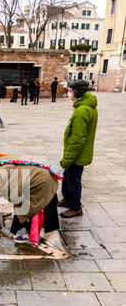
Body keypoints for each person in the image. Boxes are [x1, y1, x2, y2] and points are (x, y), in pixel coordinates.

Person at [0, 154, 61, 246]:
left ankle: (25, 234)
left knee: (27, 207)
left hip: (42, 183)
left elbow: (17, 199)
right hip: (43, 175)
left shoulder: (0, 181)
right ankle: (48, 227)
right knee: (38, 202)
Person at [58, 80, 98, 218]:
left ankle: (76, 207)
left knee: (74, 180)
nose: (69, 93)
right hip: (79, 153)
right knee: (68, 177)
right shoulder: (85, 107)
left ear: (76, 92)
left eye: (71, 91)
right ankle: (67, 199)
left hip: (77, 154)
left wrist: (67, 159)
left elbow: (77, 139)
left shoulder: (82, 111)